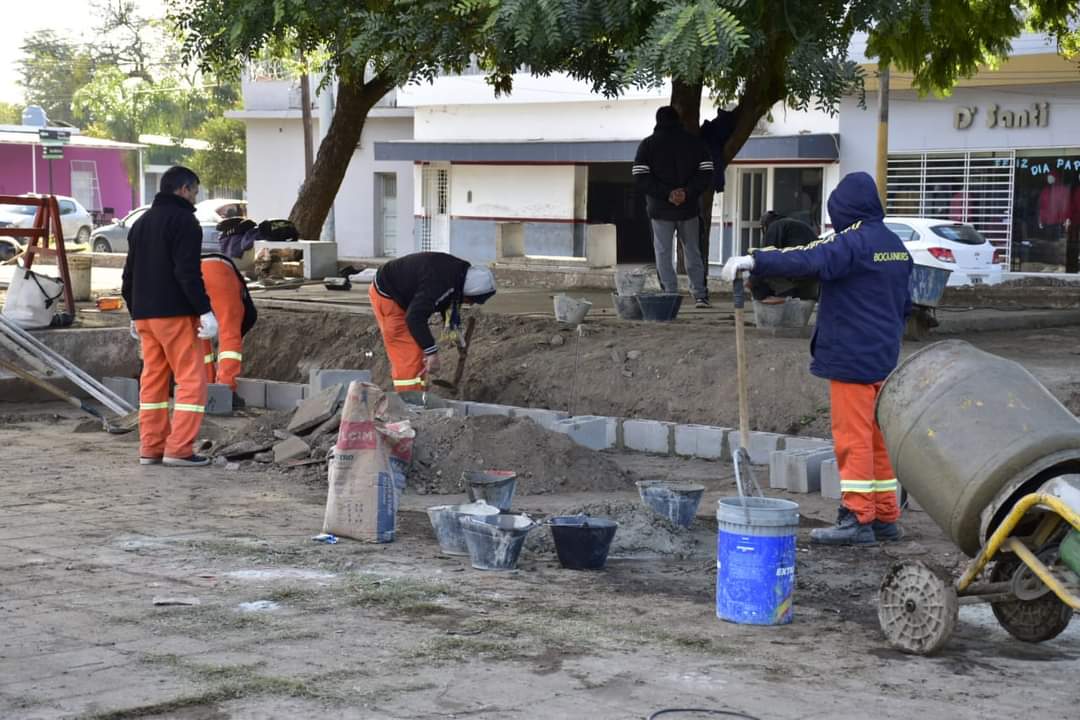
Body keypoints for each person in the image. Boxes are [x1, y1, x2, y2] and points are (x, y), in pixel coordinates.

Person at [721, 172, 912, 545]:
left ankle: (857, 517)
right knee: (878, 440)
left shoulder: (852, 243)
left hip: (851, 360)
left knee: (852, 439)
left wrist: (755, 261)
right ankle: (885, 516)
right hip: (884, 359)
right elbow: (904, 305)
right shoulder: (895, 247)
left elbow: (807, 259)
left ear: (844, 209)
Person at [122, 166, 219, 467]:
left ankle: (150, 448)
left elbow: (129, 275)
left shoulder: (141, 223)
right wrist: (205, 310)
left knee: (153, 382)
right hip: (174, 314)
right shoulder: (186, 222)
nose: (195, 198)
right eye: (194, 191)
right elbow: (187, 273)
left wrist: (134, 312)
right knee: (192, 380)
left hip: (145, 316)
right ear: (183, 189)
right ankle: (179, 449)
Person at [369, 252, 496, 392]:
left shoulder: (460, 273)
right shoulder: (439, 284)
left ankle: (418, 392)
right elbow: (414, 318)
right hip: (389, 295)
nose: (470, 305)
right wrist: (432, 353)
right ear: (468, 292)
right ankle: (409, 402)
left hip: (406, 291)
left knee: (419, 346)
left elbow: (451, 298)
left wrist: (453, 327)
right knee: (409, 354)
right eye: (470, 300)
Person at [633, 106, 713, 308]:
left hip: (660, 210)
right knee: (693, 252)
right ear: (679, 120)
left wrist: (667, 194)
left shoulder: (648, 145)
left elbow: (640, 176)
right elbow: (706, 172)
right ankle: (700, 295)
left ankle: (669, 294)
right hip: (689, 209)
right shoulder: (696, 143)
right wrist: (686, 192)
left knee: (663, 253)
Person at [200, 230, 258, 407]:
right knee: (230, 334)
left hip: (192, 272)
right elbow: (231, 338)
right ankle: (226, 388)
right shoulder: (245, 312)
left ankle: (205, 387)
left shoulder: (244, 305)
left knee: (200, 334)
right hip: (218, 271)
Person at [750, 211, 820, 303]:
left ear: (765, 225)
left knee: (761, 275)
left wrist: (752, 280)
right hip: (814, 276)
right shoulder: (795, 224)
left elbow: (766, 256)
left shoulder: (775, 226)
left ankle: (781, 297)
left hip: (798, 273)